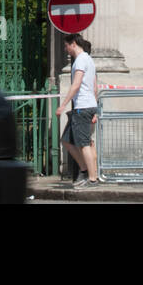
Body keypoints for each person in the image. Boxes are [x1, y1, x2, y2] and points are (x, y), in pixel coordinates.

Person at [56, 33, 99, 188]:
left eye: (66, 46)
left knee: (84, 144)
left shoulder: (81, 60)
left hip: (82, 106)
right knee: (67, 140)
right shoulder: (89, 60)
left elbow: (76, 84)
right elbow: (94, 86)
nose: (66, 49)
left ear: (73, 43)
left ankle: (92, 179)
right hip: (87, 105)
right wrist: (95, 108)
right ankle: (84, 169)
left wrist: (63, 104)